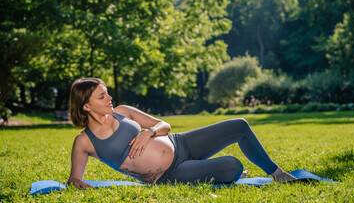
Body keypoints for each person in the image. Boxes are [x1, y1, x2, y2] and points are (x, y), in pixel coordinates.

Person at [67, 78, 296, 188]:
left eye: (107, 93)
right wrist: (79, 184)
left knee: (239, 124)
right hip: (169, 174)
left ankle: (277, 172)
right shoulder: (84, 142)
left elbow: (164, 125)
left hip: (182, 143)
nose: (109, 98)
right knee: (233, 166)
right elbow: (74, 179)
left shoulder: (123, 111)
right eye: (102, 96)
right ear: (85, 106)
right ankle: (214, 171)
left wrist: (149, 132)